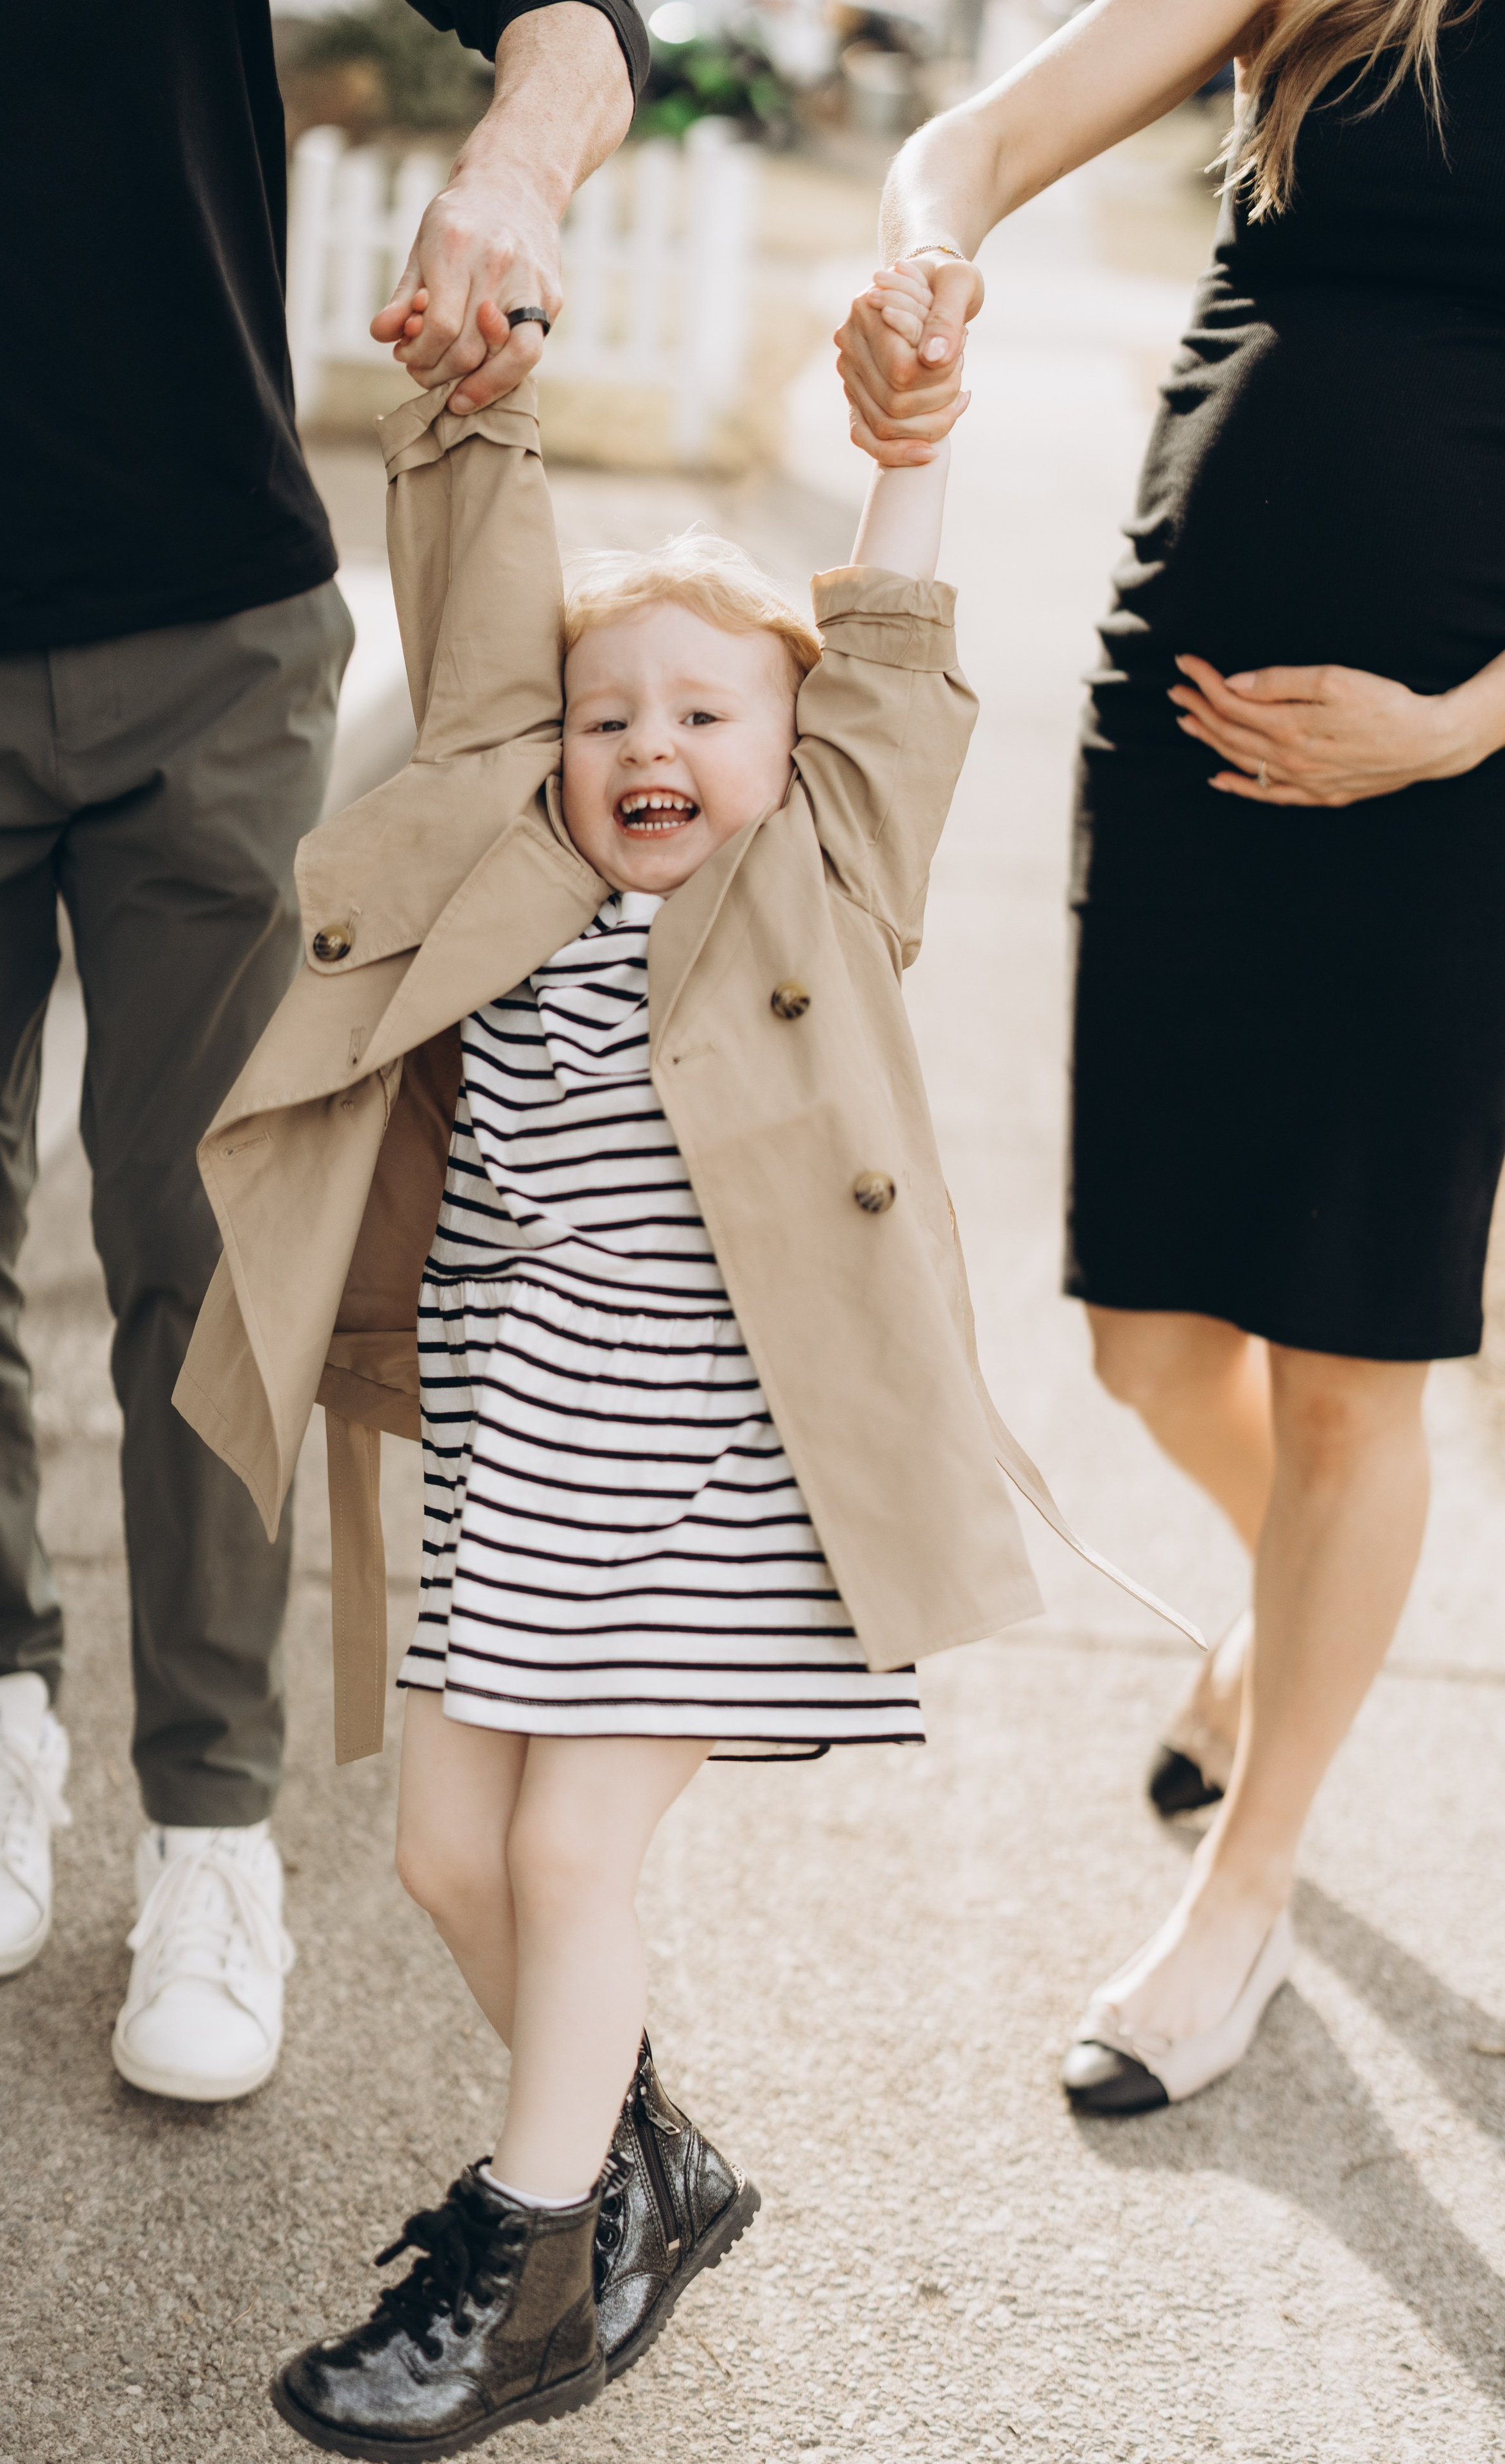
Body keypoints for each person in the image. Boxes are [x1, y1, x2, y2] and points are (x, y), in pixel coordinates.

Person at [171, 249, 1187, 2445]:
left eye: (707, 715)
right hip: (520, 1465)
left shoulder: (817, 879)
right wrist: (475, 407)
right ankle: (650, 2167)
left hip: (719, 1471)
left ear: (791, 754)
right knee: (449, 1860)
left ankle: (529, 2271)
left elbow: (892, 656)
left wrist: (912, 449)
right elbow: (477, 653)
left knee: (566, 1860)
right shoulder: (503, 877)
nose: (650, 744)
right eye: (609, 713)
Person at [0, 0, 645, 2103]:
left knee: (210, 1242)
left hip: (206, 627)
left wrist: (512, 170)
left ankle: (210, 1820)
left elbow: (581, 18)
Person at [837, 0, 1505, 2111]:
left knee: (1350, 1371)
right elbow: (970, 142)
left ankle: (1248, 1891)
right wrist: (921, 266)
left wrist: (1461, 725)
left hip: (1452, 791)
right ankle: (1292, 1619)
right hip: (1179, 733)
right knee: (1143, 1343)